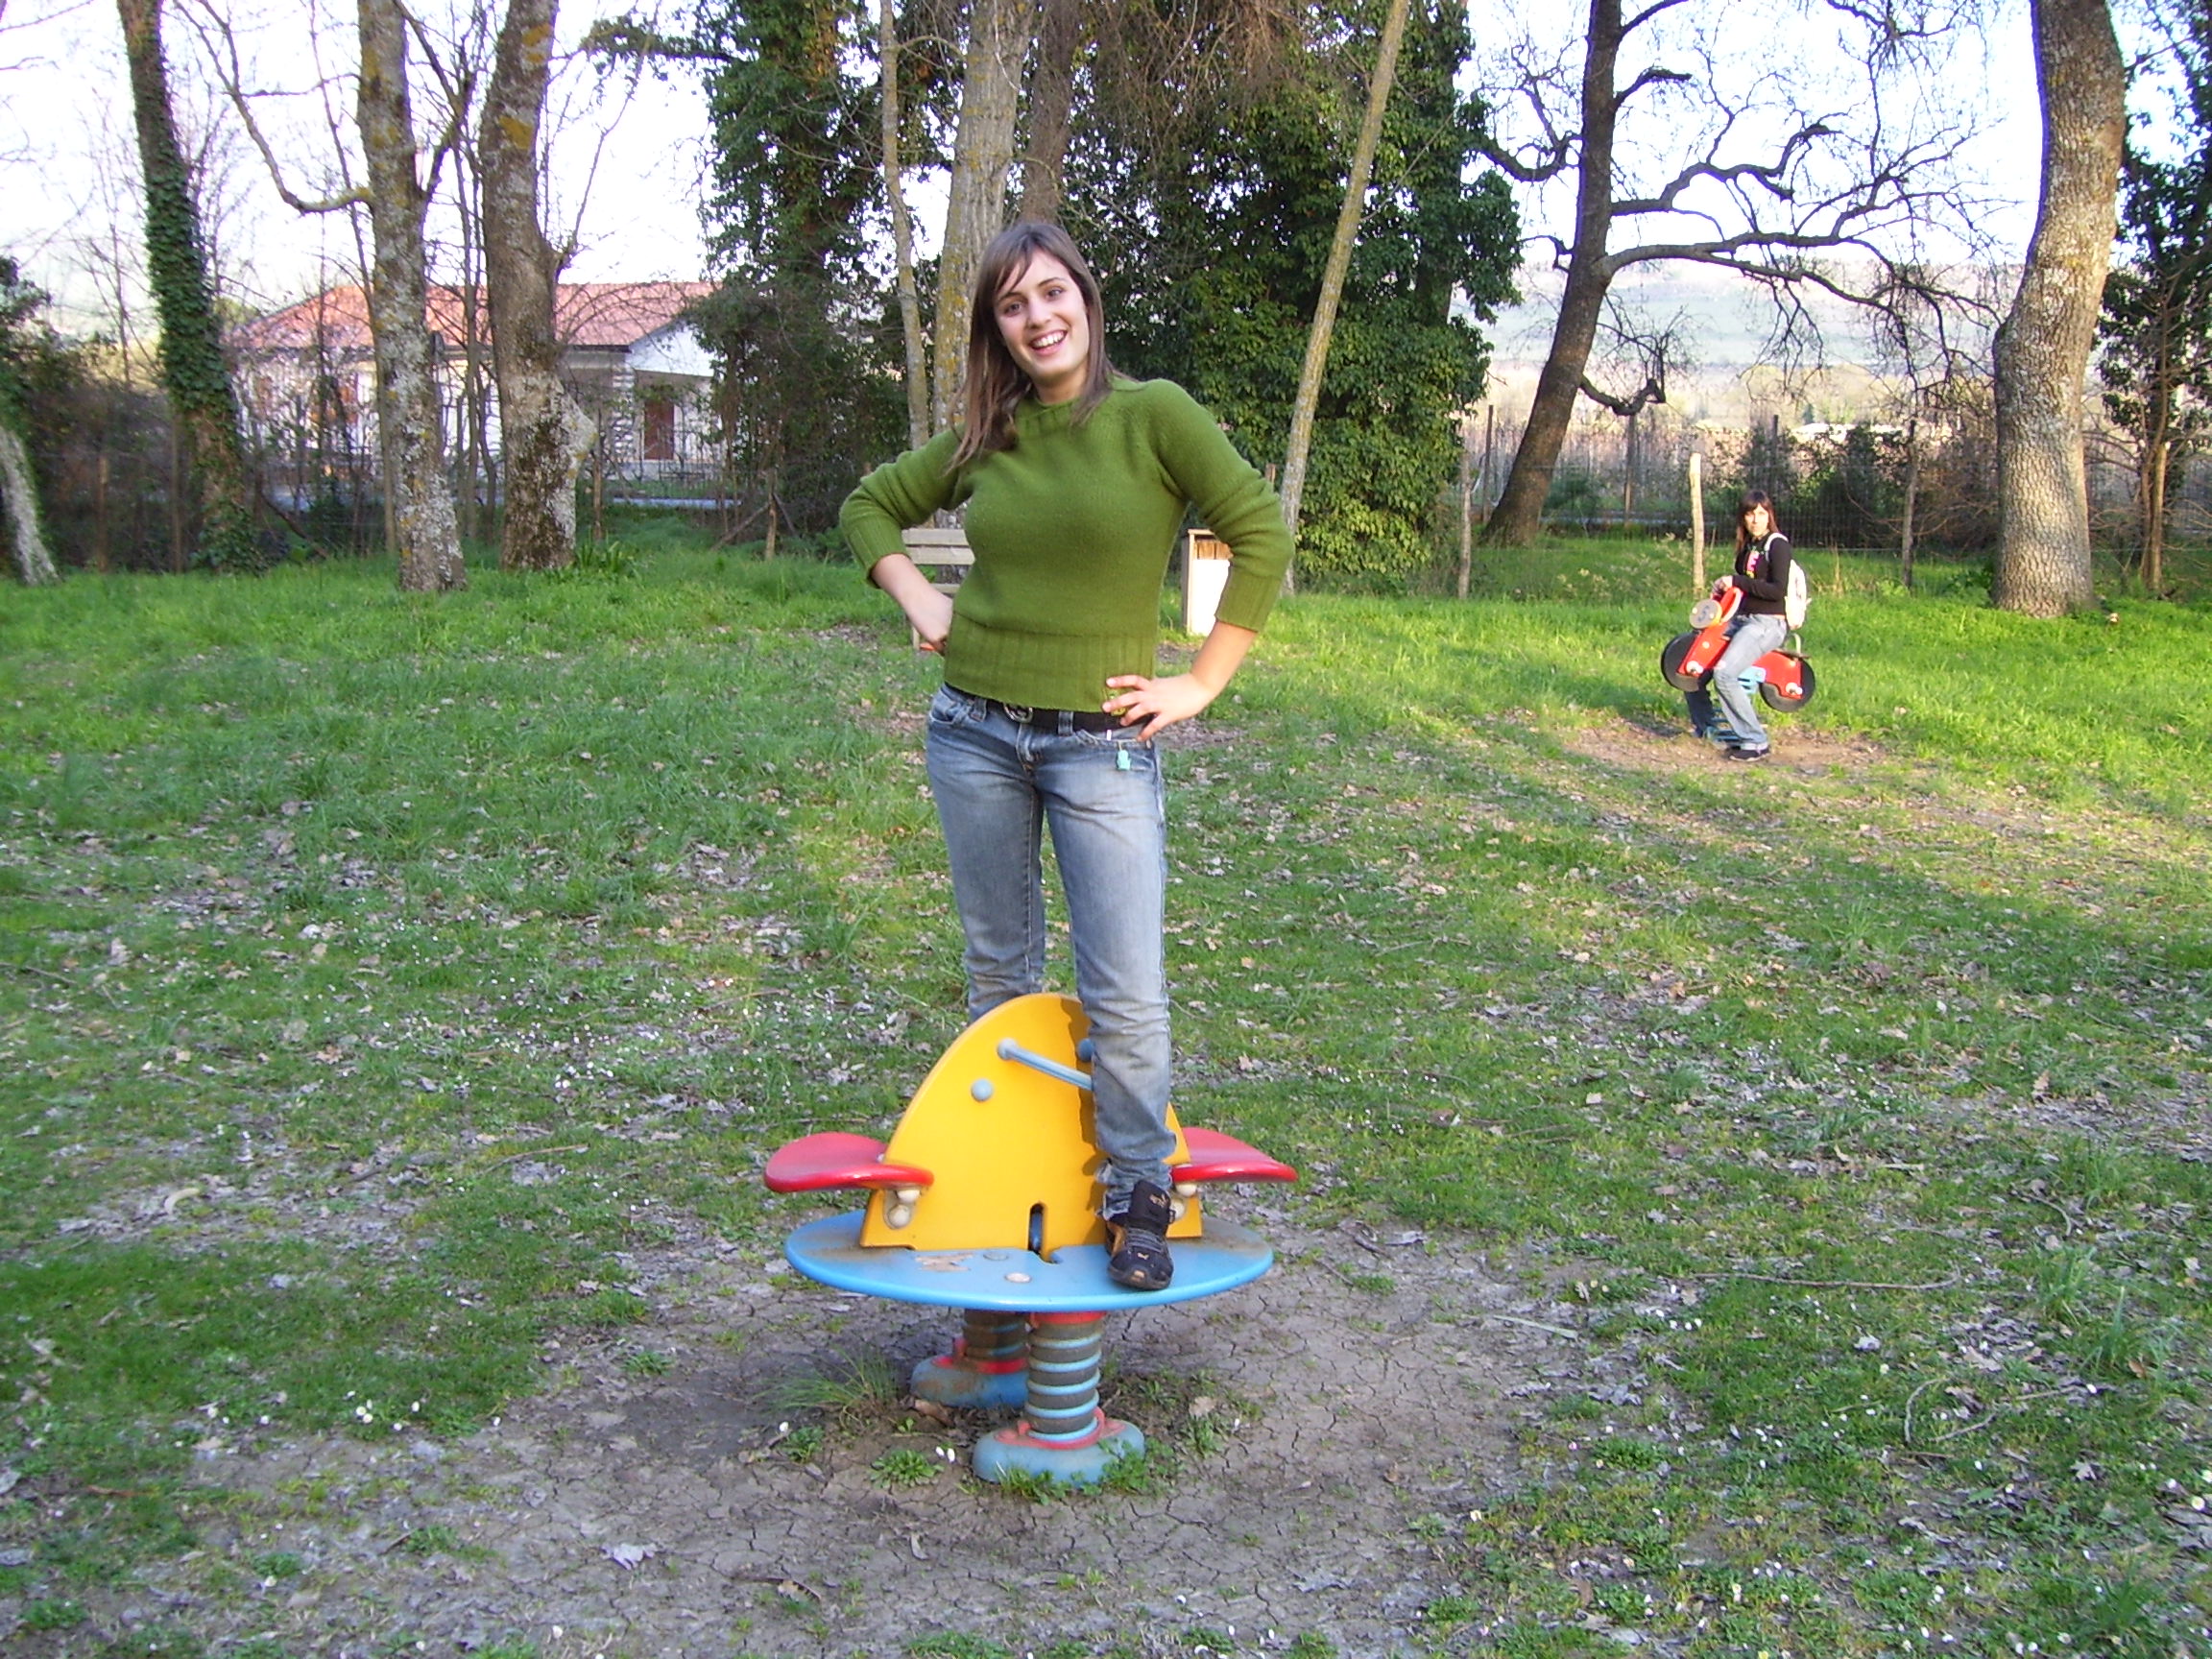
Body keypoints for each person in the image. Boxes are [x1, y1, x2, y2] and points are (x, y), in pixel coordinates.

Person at [838, 222, 1294, 1290]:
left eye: (1052, 294)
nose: (1038, 319)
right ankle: (1006, 1173)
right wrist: (917, 596)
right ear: (996, 328)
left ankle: (1137, 1193)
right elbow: (869, 506)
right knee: (1000, 975)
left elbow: (1261, 533)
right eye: (1013, 305)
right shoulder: (990, 433)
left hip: (1104, 747)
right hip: (974, 733)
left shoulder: (1154, 414)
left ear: (1085, 298)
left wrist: (1200, 683)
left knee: (1124, 990)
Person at [1686, 491, 1794, 761]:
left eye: (1761, 513)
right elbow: (1744, 587)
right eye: (1750, 514)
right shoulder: (1749, 546)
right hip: (1742, 619)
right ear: (1743, 518)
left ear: (1769, 515)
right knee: (1693, 659)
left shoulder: (1777, 545)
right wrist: (1724, 589)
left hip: (1768, 623)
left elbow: (1777, 590)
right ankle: (1709, 729)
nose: (1756, 520)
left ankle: (1756, 741)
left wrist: (1737, 581)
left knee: (1724, 674)